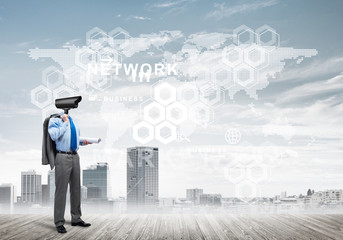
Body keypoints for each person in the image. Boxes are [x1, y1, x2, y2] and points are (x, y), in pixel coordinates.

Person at [48, 113, 91, 234]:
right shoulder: (55, 121)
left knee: (76, 189)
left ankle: (76, 218)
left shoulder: (74, 122)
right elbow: (53, 135)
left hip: (75, 156)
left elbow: (74, 138)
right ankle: (59, 222)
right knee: (61, 190)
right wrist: (65, 123)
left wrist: (83, 142)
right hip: (62, 156)